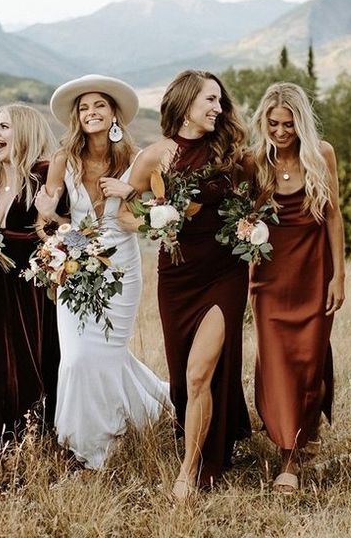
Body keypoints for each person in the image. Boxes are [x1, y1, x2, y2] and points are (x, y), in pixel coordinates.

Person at [126, 69, 250, 500]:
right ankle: (208, 437)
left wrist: (253, 227)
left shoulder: (231, 153)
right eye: (209, 101)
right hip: (176, 278)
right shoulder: (154, 156)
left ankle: (190, 470)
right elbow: (122, 211)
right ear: (184, 104)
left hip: (225, 273)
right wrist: (158, 222)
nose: (218, 108)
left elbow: (261, 198)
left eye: (219, 101)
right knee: (183, 379)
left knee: (199, 375)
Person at [35, 74, 170, 469]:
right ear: (77, 117)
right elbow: (48, 221)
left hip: (122, 267)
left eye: (99, 106)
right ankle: (86, 441)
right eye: (84, 107)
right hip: (75, 264)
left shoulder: (137, 160)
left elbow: (150, 222)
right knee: (77, 357)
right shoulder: (64, 160)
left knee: (107, 355)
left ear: (113, 114)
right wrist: (50, 219)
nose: (91, 112)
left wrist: (129, 194)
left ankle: (102, 443)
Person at [248, 82, 345, 493]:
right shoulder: (254, 162)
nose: (281, 131)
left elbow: (335, 217)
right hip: (269, 279)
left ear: (301, 122)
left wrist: (340, 274)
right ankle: (289, 449)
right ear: (263, 122)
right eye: (273, 123)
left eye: (288, 123)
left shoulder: (321, 155)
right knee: (275, 361)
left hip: (314, 273)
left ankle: (301, 439)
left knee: (308, 360)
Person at [0, 104, 60, 451]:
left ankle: (29, 434)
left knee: (26, 358)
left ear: (24, 131)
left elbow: (51, 230)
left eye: (4, 127)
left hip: (29, 286)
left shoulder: (44, 173)